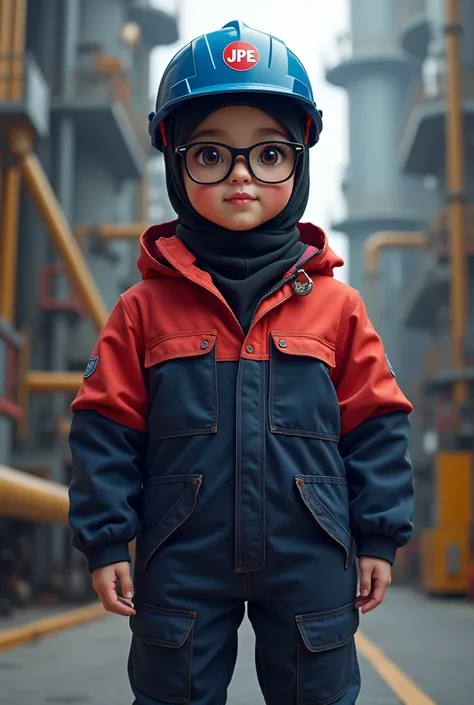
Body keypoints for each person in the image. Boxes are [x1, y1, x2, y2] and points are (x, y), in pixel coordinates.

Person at [68, 20, 414, 705]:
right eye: (211, 155)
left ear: (299, 160)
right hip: (180, 555)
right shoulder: (143, 310)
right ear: (175, 161)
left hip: (311, 552)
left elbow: (377, 425)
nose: (241, 176)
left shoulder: (338, 309)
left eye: (267, 154)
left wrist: (378, 534)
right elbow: (105, 430)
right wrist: (107, 541)